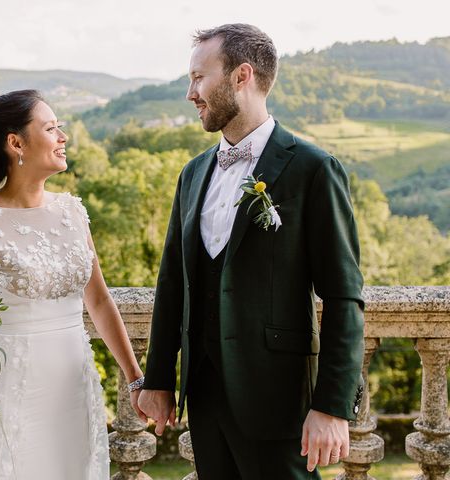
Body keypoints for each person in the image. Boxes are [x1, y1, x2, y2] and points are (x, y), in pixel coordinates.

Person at [138, 24, 365, 479]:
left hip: (278, 400)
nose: (190, 93)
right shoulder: (193, 172)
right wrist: (160, 378)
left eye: (199, 78)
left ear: (241, 76)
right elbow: (172, 282)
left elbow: (344, 297)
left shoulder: (313, 169)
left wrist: (333, 406)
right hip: (203, 396)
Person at [0, 90, 144, 480]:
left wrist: (136, 377)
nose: (63, 137)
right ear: (15, 142)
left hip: (73, 383)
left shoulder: (72, 211)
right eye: (51, 128)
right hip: (10, 388)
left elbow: (99, 300)